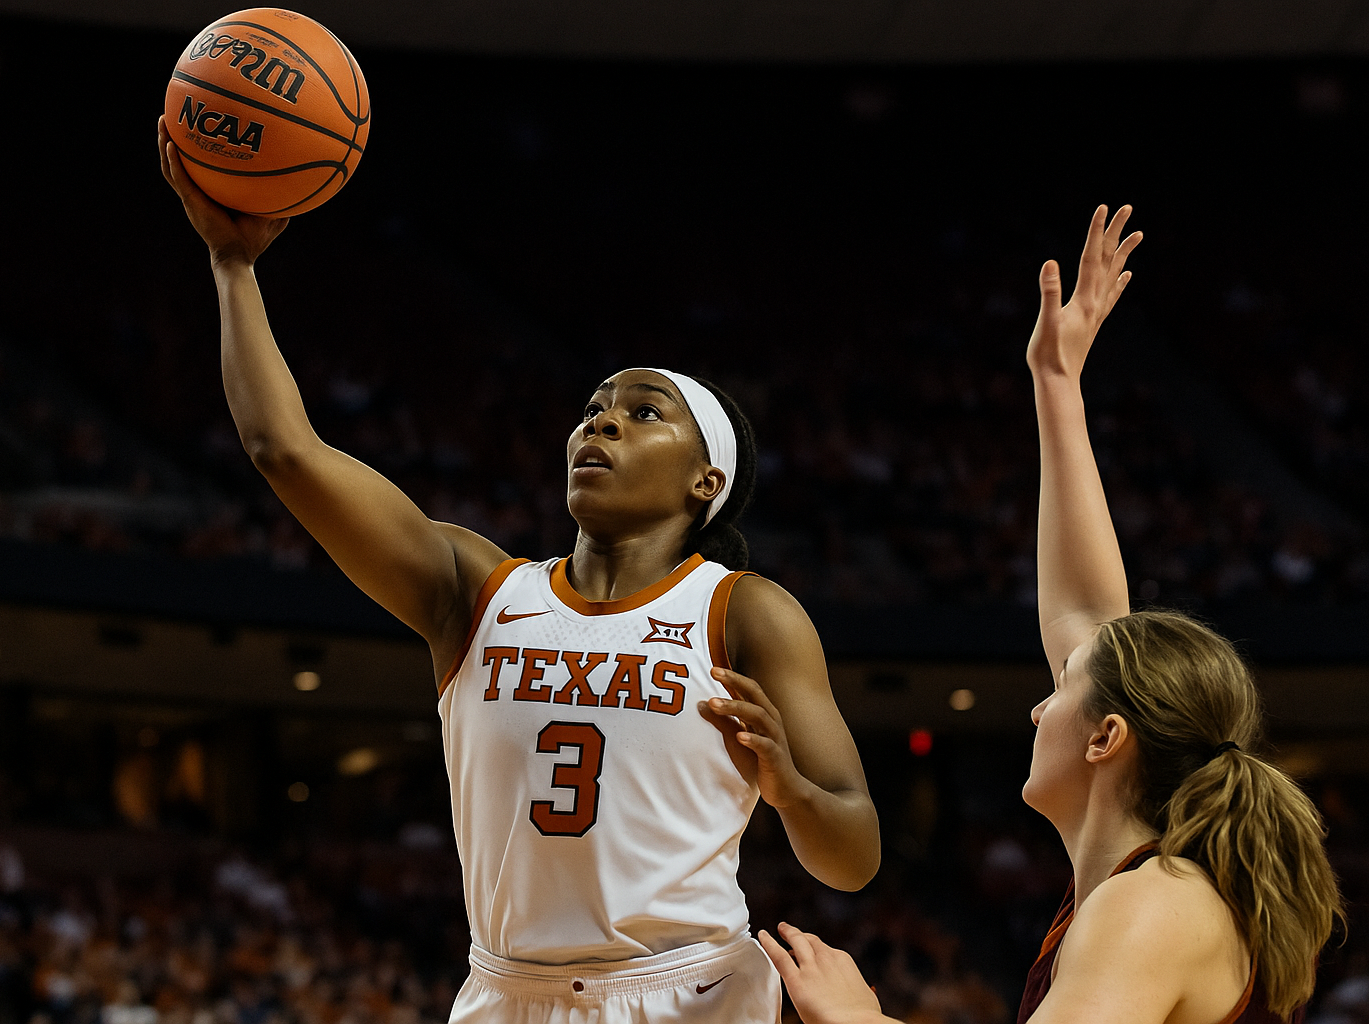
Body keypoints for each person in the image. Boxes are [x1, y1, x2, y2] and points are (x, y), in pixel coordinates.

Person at [157, 118, 882, 1023]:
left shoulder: (745, 613)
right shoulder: (476, 588)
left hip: (690, 993)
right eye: (592, 409)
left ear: (708, 481)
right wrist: (233, 268)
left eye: (642, 412)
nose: (600, 424)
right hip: (507, 992)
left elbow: (853, 854)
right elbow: (285, 451)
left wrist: (789, 789)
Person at [759, 206, 1343, 1024]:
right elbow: (1083, 611)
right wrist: (1057, 382)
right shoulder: (1135, 890)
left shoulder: (1152, 904)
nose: (1036, 703)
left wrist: (864, 1022)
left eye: (1061, 686)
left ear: (1108, 738)